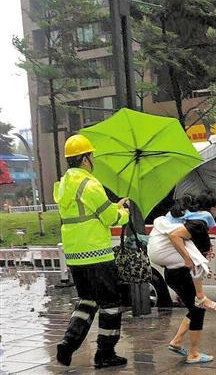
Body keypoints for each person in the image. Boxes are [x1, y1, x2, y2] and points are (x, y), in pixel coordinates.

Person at [53, 134, 130, 369]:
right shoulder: (90, 183)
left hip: (75, 255)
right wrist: (123, 211)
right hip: (97, 254)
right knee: (110, 304)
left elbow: (88, 212)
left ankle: (68, 343)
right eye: (91, 155)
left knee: (87, 301)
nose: (92, 159)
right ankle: (105, 353)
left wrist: (112, 207)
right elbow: (110, 217)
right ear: (86, 158)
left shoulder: (63, 184)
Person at [147, 191, 216, 364]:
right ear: (214, 207)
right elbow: (174, 236)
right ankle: (193, 353)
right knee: (198, 309)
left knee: (194, 308)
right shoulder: (198, 223)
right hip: (178, 272)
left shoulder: (188, 219)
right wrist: (187, 258)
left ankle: (177, 342)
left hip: (173, 272)